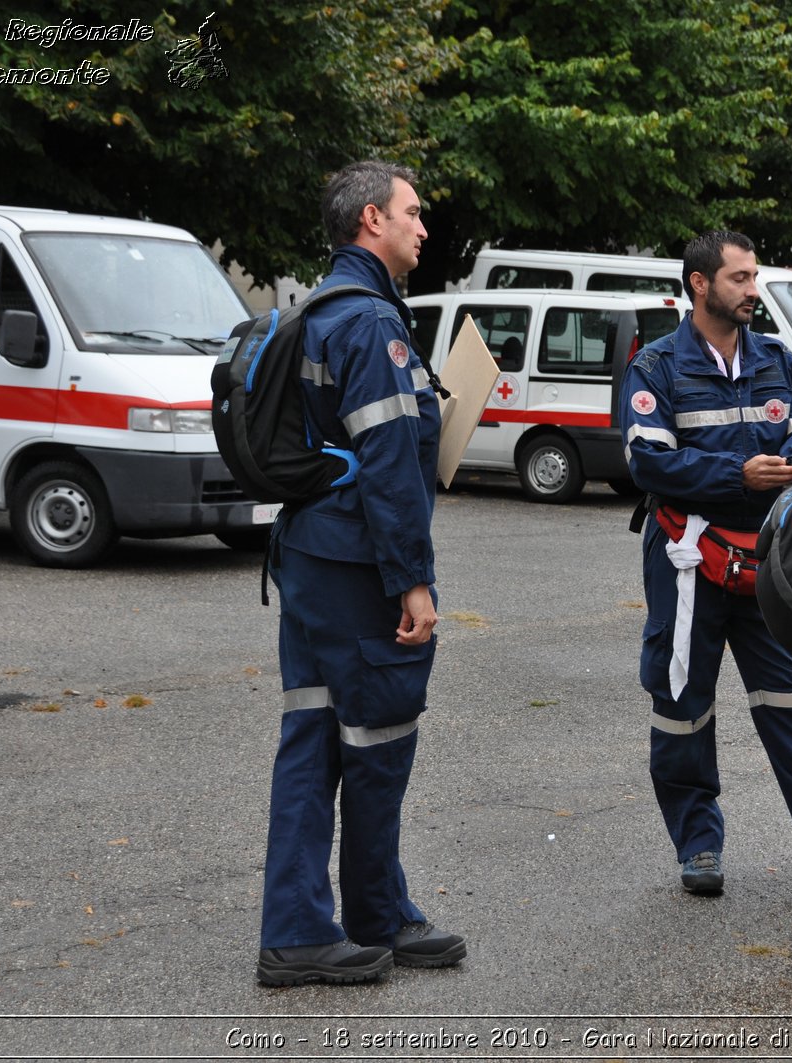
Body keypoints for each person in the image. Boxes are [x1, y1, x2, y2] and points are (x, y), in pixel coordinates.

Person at [254, 160, 465, 987]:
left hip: (310, 555)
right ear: (371, 219)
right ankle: (371, 915)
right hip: (356, 567)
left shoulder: (322, 308)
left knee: (311, 737)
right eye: (412, 214)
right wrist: (411, 579)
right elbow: (385, 460)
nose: (423, 227)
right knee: (378, 738)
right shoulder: (369, 320)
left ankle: (303, 925)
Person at [619, 230, 792, 895]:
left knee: (790, 703)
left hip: (769, 559)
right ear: (700, 284)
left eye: (753, 277)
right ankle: (699, 845)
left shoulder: (775, 357)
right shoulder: (656, 366)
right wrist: (737, 474)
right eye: (740, 278)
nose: (752, 290)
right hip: (687, 562)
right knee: (682, 701)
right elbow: (647, 459)